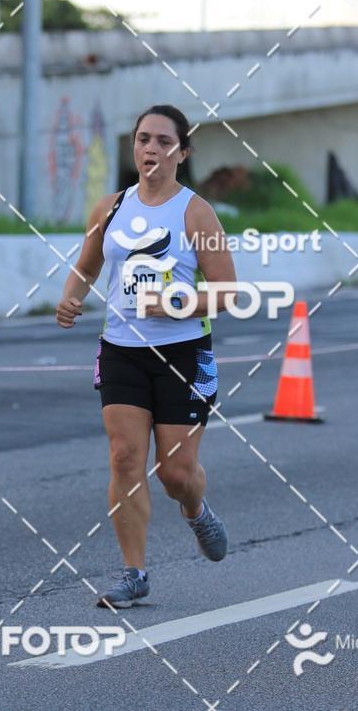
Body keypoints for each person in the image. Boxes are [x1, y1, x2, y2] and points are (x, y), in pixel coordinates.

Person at [56, 104, 237, 608]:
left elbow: (227, 291)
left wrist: (176, 302)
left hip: (182, 353)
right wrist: (71, 296)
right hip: (121, 350)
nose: (151, 149)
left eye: (163, 141)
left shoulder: (195, 213)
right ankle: (133, 572)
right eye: (143, 139)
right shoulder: (109, 208)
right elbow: (87, 266)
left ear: (182, 152)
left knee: (175, 474)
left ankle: (196, 510)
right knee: (124, 456)